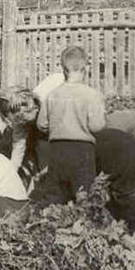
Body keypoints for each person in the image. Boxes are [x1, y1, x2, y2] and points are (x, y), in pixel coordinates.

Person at [35, 46, 106, 205]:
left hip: (57, 150)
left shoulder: (52, 94)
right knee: (84, 195)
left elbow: (41, 125)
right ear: (85, 68)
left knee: (55, 195)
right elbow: (96, 126)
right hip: (82, 151)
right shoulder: (91, 94)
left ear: (63, 68)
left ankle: (52, 219)